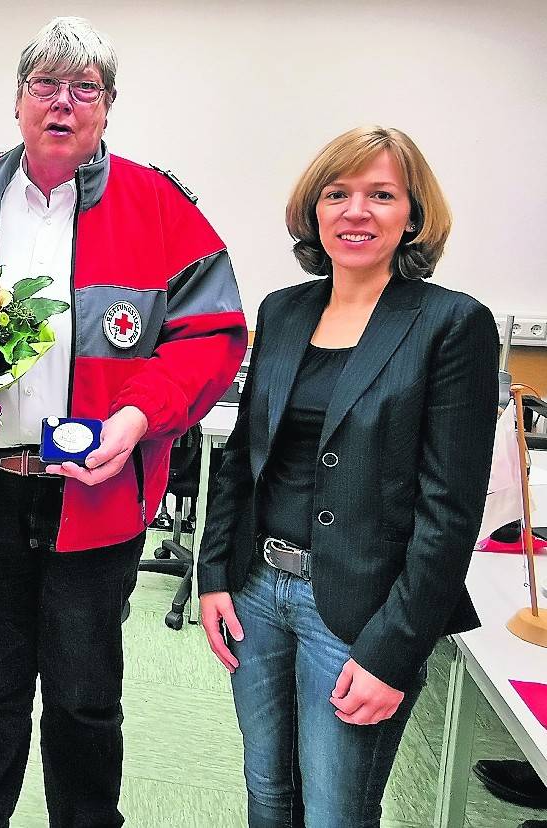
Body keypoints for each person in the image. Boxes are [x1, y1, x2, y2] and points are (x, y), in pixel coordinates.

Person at [0, 17, 247, 827]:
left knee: (84, 698)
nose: (62, 103)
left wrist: (137, 415)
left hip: (96, 495)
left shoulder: (157, 206)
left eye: (83, 89)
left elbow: (213, 333)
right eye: (44, 85)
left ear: (107, 107)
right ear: (16, 101)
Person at [197, 125, 499, 827]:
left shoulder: (451, 324)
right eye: (337, 193)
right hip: (257, 593)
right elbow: (244, 457)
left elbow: (449, 510)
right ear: (313, 209)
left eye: (380, 195)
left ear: (412, 214)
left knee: (337, 811)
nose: (355, 211)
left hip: (361, 609)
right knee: (267, 795)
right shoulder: (282, 310)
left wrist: (394, 649)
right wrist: (213, 573)